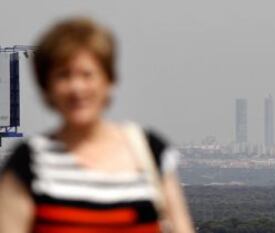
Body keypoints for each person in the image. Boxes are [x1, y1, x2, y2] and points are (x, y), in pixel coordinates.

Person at [0, 16, 195, 233]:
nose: (77, 88)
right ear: (46, 87)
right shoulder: (27, 163)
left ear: (109, 80)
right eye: (63, 76)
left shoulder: (149, 151)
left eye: (87, 75)